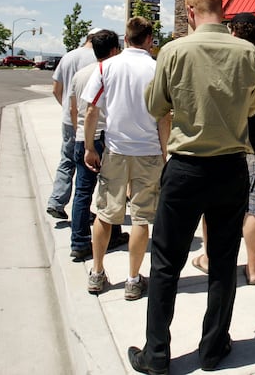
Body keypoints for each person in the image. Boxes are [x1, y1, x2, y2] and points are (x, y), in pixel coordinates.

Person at [128, 0, 255, 374]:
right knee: (223, 261)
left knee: (167, 262)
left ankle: (156, 356)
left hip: (186, 166)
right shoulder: (247, 52)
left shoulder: (173, 51)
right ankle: (213, 347)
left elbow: (155, 105)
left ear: (189, 11)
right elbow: (251, 106)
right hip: (230, 166)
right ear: (223, 10)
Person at [191, 12, 255, 286]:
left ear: (233, 32)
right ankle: (254, 268)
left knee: (215, 207)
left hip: (224, 147)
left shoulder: (225, 59)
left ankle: (210, 259)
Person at [82, 17, 169, 301]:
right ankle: (133, 278)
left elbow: (92, 110)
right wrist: (165, 150)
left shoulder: (107, 67)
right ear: (149, 39)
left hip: (116, 150)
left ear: (126, 38)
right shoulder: (157, 69)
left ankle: (97, 272)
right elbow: (164, 116)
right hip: (148, 151)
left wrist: (89, 146)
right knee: (141, 218)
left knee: (106, 213)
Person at [68, 29, 126, 261]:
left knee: (82, 192)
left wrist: (80, 134)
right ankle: (111, 236)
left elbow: (74, 109)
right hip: (104, 137)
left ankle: (79, 242)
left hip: (82, 137)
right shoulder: (112, 73)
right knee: (112, 191)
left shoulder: (80, 74)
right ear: (113, 50)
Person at [46, 28, 102, 219]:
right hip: (88, 119)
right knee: (86, 166)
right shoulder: (97, 59)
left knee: (66, 159)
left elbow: (56, 89)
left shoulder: (68, 56)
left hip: (68, 119)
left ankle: (57, 201)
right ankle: (82, 209)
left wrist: (67, 108)